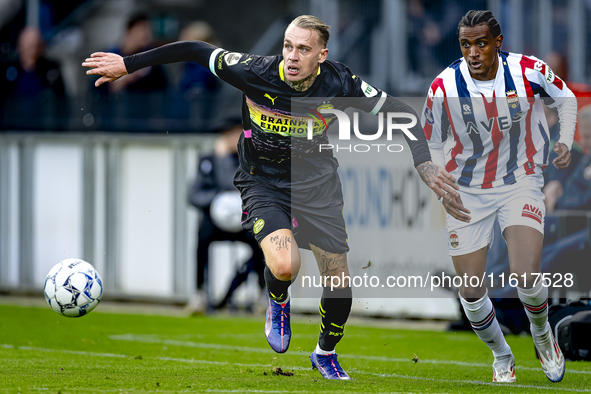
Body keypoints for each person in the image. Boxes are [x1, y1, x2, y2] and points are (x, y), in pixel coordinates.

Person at [83, 15, 458, 380]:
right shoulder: (254, 71)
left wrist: (423, 164)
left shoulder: (340, 82)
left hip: (318, 188)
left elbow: (401, 112)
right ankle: (278, 300)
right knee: (284, 265)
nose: (292, 57)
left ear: (321, 56)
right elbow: (196, 49)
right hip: (263, 183)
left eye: (303, 49)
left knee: (339, 285)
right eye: (287, 47)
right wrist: (129, 64)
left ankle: (325, 353)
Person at [421, 10, 577, 383]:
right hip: (467, 190)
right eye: (465, 44)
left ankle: (543, 338)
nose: (472, 52)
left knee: (526, 274)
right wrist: (440, 179)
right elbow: (431, 138)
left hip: (520, 180)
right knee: (471, 291)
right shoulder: (445, 85)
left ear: (497, 43)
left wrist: (566, 141)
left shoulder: (527, 70)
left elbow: (566, 98)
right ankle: (501, 354)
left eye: (480, 43)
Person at [187, 119, 265, 314]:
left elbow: (237, 185)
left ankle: (264, 295)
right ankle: (199, 293)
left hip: (244, 221)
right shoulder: (208, 160)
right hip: (215, 222)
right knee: (202, 235)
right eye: (228, 134)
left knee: (263, 240)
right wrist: (216, 200)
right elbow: (193, 195)